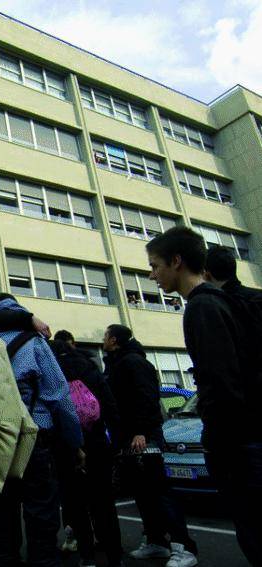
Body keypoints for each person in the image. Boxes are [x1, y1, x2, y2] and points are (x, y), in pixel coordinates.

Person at [146, 227, 262, 565]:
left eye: (155, 266)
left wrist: (217, 444)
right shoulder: (224, 301)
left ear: (176, 262)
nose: (152, 274)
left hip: (240, 447)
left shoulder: (202, 308)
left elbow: (222, 385)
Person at [0, 293, 83, 567]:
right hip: (32, 439)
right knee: (41, 513)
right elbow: (60, 396)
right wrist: (75, 442)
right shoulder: (34, 341)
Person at [102, 324, 197, 567]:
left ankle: (183, 547)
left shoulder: (133, 362)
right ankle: (156, 542)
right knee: (143, 493)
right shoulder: (116, 363)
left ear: (113, 340)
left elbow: (146, 398)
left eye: (105, 336)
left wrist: (141, 431)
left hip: (144, 437)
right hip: (127, 438)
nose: (103, 340)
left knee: (159, 491)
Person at [51, 339, 123, 567]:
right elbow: (110, 406)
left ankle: (87, 556)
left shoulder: (53, 373)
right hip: (98, 443)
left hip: (68, 448)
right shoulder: (91, 368)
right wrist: (115, 442)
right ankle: (114, 556)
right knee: (104, 504)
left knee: (76, 506)